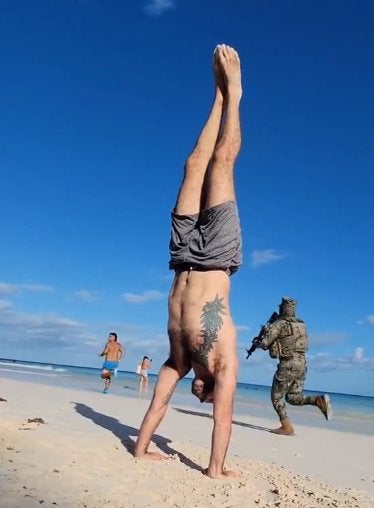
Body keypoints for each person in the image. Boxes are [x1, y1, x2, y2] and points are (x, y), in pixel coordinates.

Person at [134, 44, 243, 479]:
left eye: (195, 396)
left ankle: (216, 96)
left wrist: (141, 450)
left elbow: (159, 401)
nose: (199, 395)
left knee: (193, 163)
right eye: (205, 396)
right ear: (214, 390)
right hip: (216, 255)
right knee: (221, 163)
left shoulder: (176, 361)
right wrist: (216, 470)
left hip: (181, 258)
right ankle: (232, 95)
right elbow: (224, 419)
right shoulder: (224, 365)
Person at [249, 297, 332, 436]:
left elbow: (265, 344)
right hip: (302, 363)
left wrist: (257, 342)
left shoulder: (280, 324)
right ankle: (318, 400)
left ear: (282, 308)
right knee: (293, 397)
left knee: (276, 397)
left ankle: (287, 427)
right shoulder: (301, 325)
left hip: (288, 363)